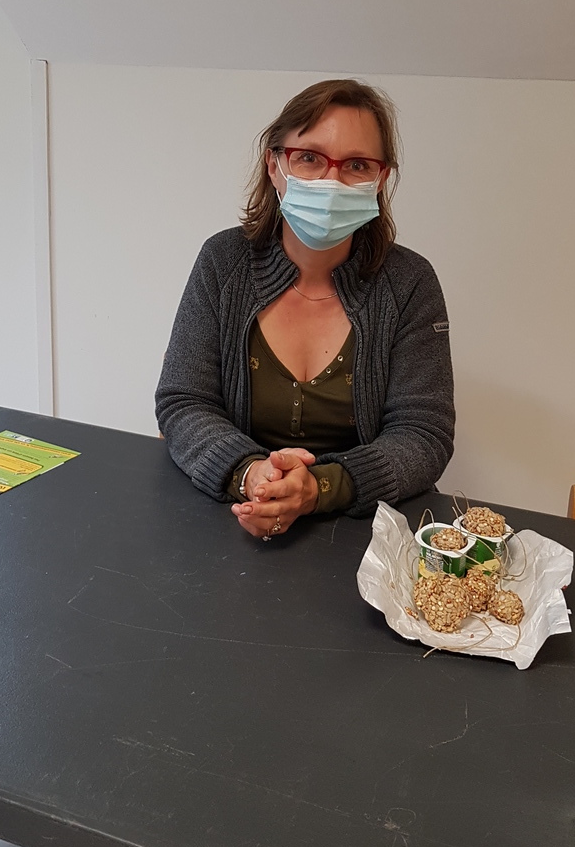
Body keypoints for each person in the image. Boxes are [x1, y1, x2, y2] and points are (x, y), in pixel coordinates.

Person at [155, 79, 454, 540]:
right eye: (310, 158)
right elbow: (183, 401)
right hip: (234, 518)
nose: (331, 181)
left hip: (366, 535)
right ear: (274, 165)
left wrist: (318, 488)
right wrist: (251, 474)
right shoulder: (222, 262)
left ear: (380, 180)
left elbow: (423, 434)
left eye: (357, 165)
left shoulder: (410, 282)